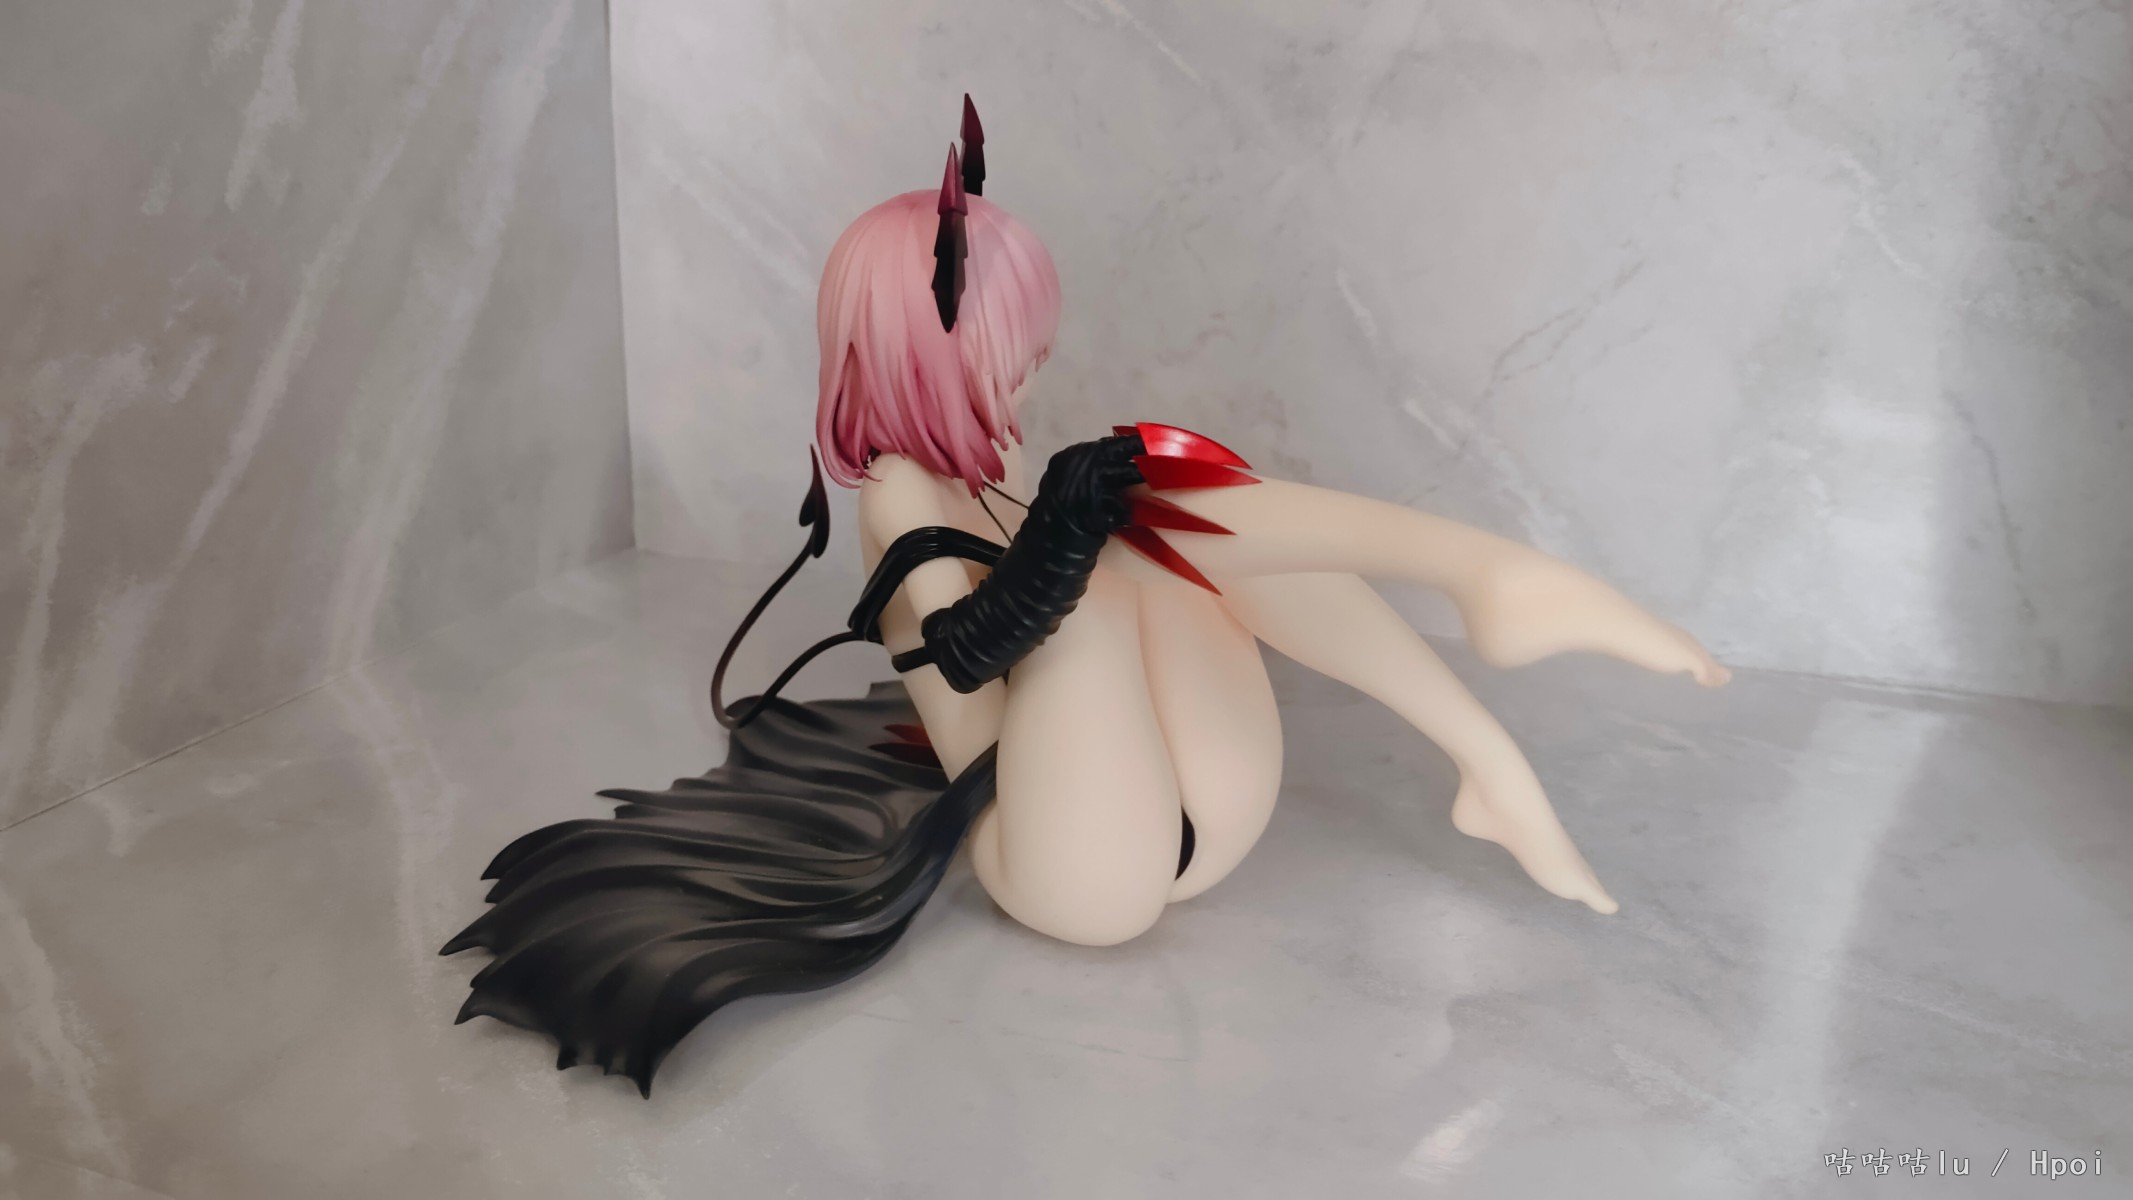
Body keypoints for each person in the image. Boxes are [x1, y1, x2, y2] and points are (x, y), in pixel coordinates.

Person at [443, 98, 1727, 1095]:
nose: (1027, 377)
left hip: (1185, 810)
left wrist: (1081, 515)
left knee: (1169, 483)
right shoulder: (900, 491)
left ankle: (1481, 740)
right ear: (930, 350)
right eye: (1014, 356)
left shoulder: (989, 472)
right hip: (1069, 868)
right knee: (1118, 506)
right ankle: (1487, 581)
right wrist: (1069, 535)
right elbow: (965, 650)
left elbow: (1145, 553)